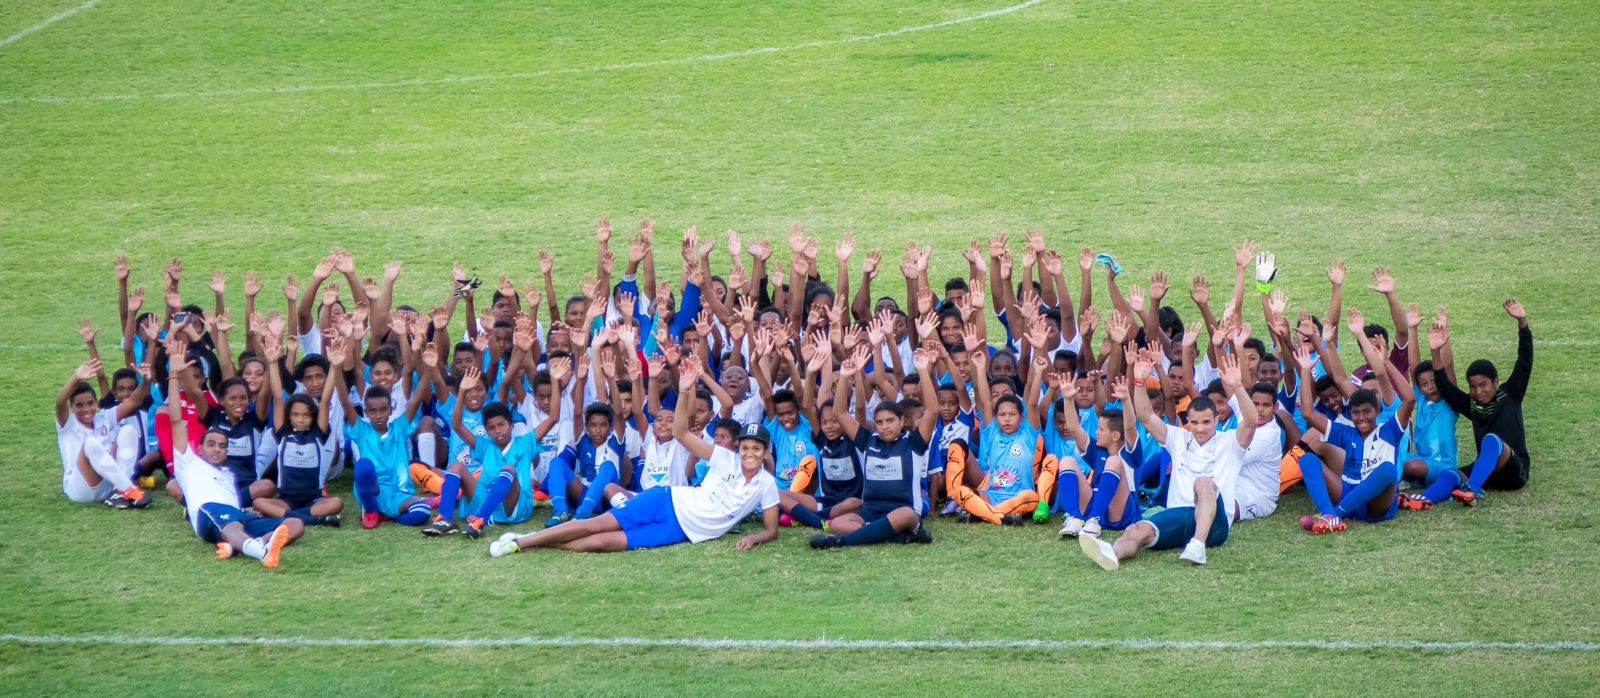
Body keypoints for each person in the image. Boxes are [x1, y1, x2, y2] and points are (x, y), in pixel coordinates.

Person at [488, 362, 779, 555]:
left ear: (765, 451)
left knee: (601, 543)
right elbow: (680, 432)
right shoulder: (724, 457)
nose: (749, 454)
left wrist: (754, 538)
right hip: (668, 500)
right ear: (739, 448)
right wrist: (685, 389)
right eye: (745, 447)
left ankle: (539, 543)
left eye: (756, 449)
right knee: (597, 525)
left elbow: (771, 529)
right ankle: (521, 542)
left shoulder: (766, 484)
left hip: (679, 529)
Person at [1079, 347, 1257, 569]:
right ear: (1187, 421)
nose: (1200, 428)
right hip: (1178, 515)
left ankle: (1197, 546)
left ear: (1215, 420)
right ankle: (1111, 554)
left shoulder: (1230, 441)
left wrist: (1238, 387)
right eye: (1194, 422)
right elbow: (1146, 416)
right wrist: (1140, 383)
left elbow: (1251, 421)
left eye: (1206, 422)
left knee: (1203, 483)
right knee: (1136, 529)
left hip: (1215, 524)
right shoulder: (1178, 437)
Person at [166, 348, 302, 567]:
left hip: (238, 511)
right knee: (232, 525)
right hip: (211, 510)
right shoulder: (189, 462)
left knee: (295, 524)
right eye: (211, 444)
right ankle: (260, 553)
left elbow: (268, 395)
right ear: (199, 448)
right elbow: (176, 418)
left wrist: (271, 361)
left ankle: (255, 543)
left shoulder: (227, 474)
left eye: (222, 446)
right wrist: (175, 375)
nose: (217, 449)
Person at [1289, 308, 1415, 533]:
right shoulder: (1347, 431)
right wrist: (1307, 369)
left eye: (1367, 411)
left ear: (1377, 408)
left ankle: (1335, 514)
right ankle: (1329, 515)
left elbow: (1409, 399)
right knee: (1307, 459)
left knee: (1387, 470)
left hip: (1377, 504)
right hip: (1349, 492)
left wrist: (1384, 360)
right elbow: (1310, 412)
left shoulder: (1389, 427)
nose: (1361, 417)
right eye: (1356, 413)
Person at [1401, 299, 1533, 509]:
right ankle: (1423, 500)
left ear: (1496, 382)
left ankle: (1471, 489)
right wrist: (1435, 350)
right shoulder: (1471, 405)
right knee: (1449, 474)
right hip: (1487, 473)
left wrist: (1522, 322)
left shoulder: (1511, 394)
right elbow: (1444, 384)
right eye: (1473, 387)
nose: (1478, 392)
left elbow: (1525, 360)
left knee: (1492, 440)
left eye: (1483, 385)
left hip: (1515, 469)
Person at [808, 345, 937, 548]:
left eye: (890, 421)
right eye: (880, 422)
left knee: (905, 515)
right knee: (839, 523)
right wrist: (844, 376)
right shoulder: (868, 441)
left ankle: (840, 542)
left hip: (902, 510)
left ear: (902, 422)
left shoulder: (913, 443)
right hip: (871, 510)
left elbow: (932, 410)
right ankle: (896, 536)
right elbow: (840, 412)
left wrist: (922, 370)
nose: (884, 426)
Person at [340, 339, 438, 529]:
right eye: (373, 411)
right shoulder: (362, 429)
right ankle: (370, 511)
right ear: (366, 412)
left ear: (390, 410)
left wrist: (429, 368)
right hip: (372, 491)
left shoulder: (399, 427)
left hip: (399, 493)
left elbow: (417, 397)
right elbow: (344, 400)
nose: (378, 415)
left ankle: (388, 516)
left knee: (423, 512)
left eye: (382, 410)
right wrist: (336, 368)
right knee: (363, 466)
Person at [250, 339, 343, 526]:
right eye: (295, 415)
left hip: (314, 499)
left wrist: (334, 365)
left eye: (305, 415)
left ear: (313, 416)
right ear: (289, 416)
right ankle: (313, 519)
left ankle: (288, 516)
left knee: (337, 503)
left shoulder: (318, 434)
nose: (300, 419)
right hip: (286, 499)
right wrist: (272, 362)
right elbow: (278, 397)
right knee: (258, 502)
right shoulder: (283, 433)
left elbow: (325, 399)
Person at [56, 358, 152, 508]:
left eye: (90, 403)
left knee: (128, 431)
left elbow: (134, 402)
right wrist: (76, 377)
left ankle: (119, 492)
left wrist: (145, 381)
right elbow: (59, 402)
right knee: (91, 443)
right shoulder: (68, 424)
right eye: (79, 405)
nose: (86, 409)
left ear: (96, 402)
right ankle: (129, 489)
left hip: (107, 485)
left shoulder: (104, 417)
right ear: (71, 408)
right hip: (81, 489)